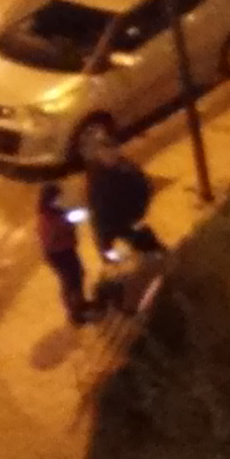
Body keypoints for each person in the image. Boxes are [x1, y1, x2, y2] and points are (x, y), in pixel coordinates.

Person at [78, 132, 158, 276]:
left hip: (129, 222)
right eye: (104, 152)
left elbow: (145, 187)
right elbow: (97, 210)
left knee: (150, 249)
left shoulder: (127, 169)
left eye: (111, 151)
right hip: (109, 229)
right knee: (118, 265)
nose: (109, 156)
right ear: (99, 154)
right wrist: (104, 244)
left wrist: (138, 213)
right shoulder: (96, 177)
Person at [33, 182, 90, 328]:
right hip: (58, 254)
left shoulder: (57, 211)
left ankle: (81, 303)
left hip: (66, 249)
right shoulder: (46, 218)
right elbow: (50, 239)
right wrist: (65, 225)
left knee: (78, 275)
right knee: (69, 281)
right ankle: (74, 313)